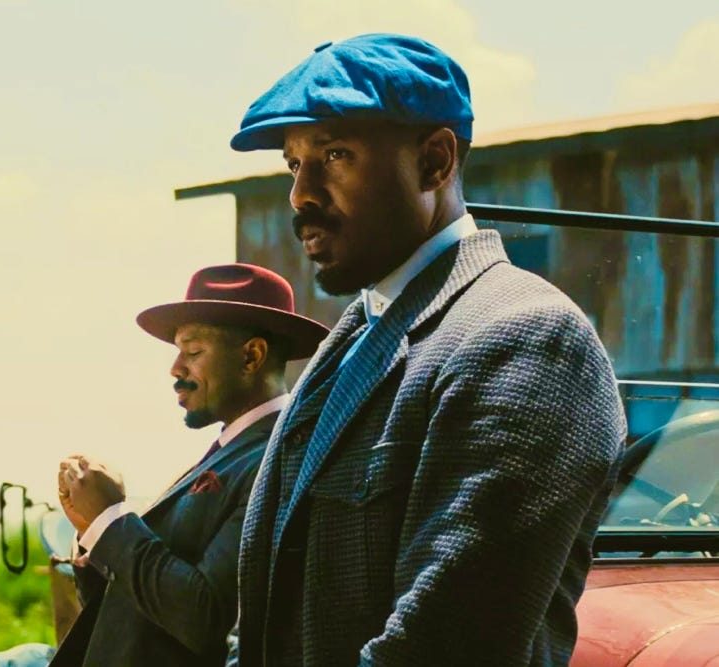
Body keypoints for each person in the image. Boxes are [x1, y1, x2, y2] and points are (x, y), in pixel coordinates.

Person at [226, 34, 626, 666]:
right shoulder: (352, 340)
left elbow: (443, 646)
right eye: (293, 164)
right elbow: (261, 619)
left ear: (435, 162)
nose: (301, 195)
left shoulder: (523, 336)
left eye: (334, 154)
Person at [41, 263, 329, 667]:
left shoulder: (279, 458)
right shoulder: (232, 452)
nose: (176, 369)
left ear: (252, 356)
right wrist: (94, 532)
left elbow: (205, 617)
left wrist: (111, 521)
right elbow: (141, 609)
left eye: (193, 352)